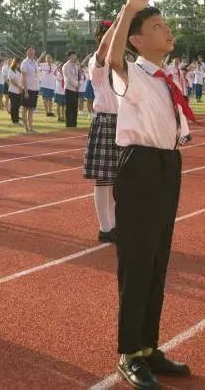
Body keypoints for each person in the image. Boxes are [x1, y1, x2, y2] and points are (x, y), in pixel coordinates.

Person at [106, 0, 193, 389]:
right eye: (157, 26)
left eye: (165, 24)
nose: (167, 30)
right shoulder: (133, 74)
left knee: (158, 260)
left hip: (167, 164)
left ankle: (147, 346)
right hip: (140, 166)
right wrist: (129, 10)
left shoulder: (164, 76)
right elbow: (112, 57)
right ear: (138, 40)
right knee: (137, 260)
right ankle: (128, 351)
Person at [84, 19, 120, 243]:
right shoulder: (97, 61)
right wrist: (119, 21)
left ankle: (114, 223)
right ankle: (105, 227)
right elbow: (105, 47)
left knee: (117, 179)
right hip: (106, 119)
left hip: (122, 120)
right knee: (104, 179)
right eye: (110, 33)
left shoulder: (120, 61)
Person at [19, 47, 39, 133]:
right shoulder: (25, 63)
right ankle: (26, 127)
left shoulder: (35, 62)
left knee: (31, 109)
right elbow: (23, 77)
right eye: (29, 51)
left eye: (33, 51)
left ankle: (31, 127)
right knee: (25, 108)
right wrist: (26, 90)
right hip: (27, 88)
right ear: (26, 52)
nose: (31, 53)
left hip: (35, 88)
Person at [62, 51, 81, 128]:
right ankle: (69, 124)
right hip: (69, 88)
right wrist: (76, 85)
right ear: (69, 57)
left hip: (76, 89)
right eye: (72, 56)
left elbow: (77, 76)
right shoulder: (66, 66)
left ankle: (74, 123)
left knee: (75, 107)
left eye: (75, 55)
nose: (74, 57)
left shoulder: (75, 66)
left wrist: (79, 84)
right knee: (69, 107)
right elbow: (69, 78)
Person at [6, 57, 23, 125]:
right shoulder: (11, 70)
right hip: (13, 91)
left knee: (17, 106)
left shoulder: (18, 71)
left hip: (18, 91)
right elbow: (12, 80)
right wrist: (19, 87)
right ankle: (14, 121)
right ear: (16, 63)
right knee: (14, 106)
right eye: (19, 63)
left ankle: (16, 120)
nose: (20, 64)